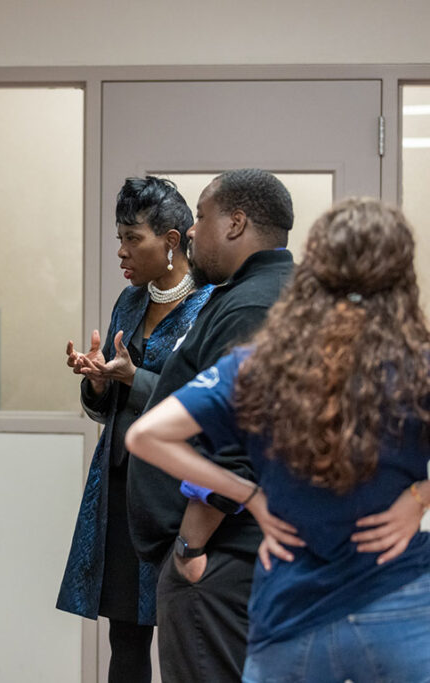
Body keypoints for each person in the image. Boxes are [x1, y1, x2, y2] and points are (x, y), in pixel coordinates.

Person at [126, 197, 430, 681]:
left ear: (314, 266)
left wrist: (252, 498)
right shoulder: (418, 364)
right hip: (399, 603)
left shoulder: (262, 364)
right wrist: (418, 496)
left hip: (292, 607)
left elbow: (146, 436)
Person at [124, 168, 295, 681]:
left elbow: (241, 438)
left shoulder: (254, 306)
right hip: (230, 557)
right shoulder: (255, 292)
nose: (193, 230)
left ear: (236, 223)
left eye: (202, 216)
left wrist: (191, 548)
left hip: (221, 561)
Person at [56, 177, 211, 682]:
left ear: (171, 240)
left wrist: (133, 378)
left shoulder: (212, 305)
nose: (121, 251)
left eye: (132, 238)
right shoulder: (131, 301)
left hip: (180, 495)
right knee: (125, 639)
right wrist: (99, 381)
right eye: (118, 238)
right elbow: (110, 407)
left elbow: (204, 404)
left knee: (183, 635)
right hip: (122, 488)